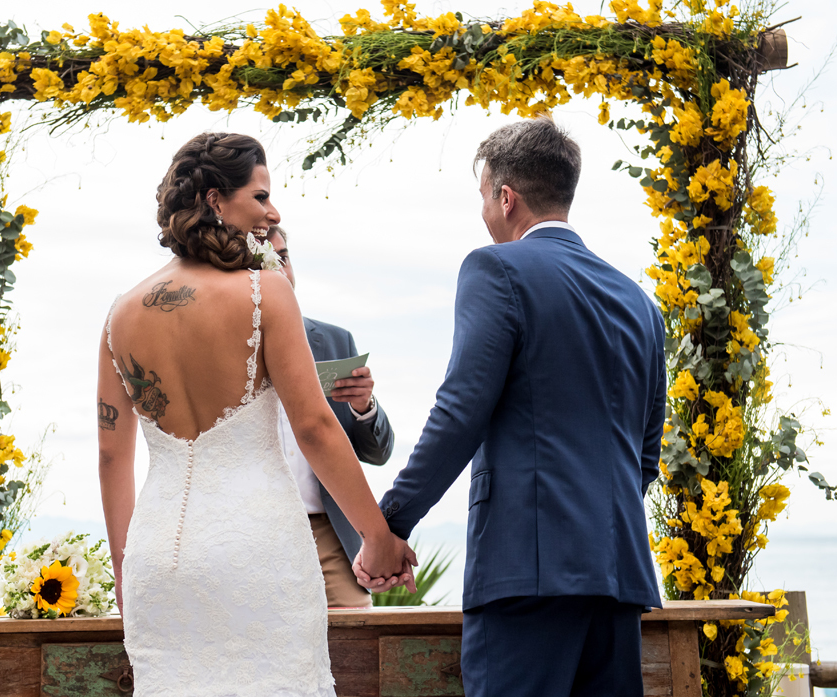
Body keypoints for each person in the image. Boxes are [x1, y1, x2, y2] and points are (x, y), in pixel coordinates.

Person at [96, 132, 415, 697]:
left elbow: (110, 456)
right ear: (215, 200)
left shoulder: (120, 313)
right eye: (261, 196)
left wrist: (125, 574)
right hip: (257, 552)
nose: (274, 212)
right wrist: (378, 537)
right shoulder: (266, 291)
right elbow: (314, 427)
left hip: (157, 559)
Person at [355, 117, 665, 697]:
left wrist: (390, 523)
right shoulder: (639, 302)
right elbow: (646, 455)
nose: (483, 213)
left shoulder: (494, 268)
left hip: (526, 573)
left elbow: (460, 411)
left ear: (506, 197)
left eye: (483, 198)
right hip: (618, 576)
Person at [267, 225, 394, 608]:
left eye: (283, 258)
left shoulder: (336, 341)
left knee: (356, 637)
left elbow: (377, 453)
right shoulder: (221, 348)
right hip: (255, 532)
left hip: (331, 533)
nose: (279, 270)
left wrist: (363, 406)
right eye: (266, 261)